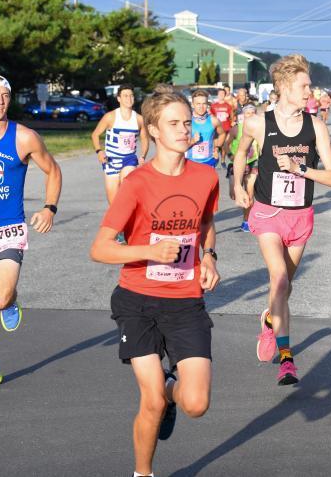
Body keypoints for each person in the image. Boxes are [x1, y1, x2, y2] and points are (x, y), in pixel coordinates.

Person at [90, 90, 220, 477]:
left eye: (186, 123)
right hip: (138, 302)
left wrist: (209, 256)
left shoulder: (206, 176)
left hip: (186, 301)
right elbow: (100, 248)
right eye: (173, 123)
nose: (183, 130)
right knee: (151, 402)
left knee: (196, 403)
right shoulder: (136, 183)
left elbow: (206, 224)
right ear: (153, 131)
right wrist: (149, 250)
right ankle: (142, 473)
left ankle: (170, 390)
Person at [232, 54, 331, 386]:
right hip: (267, 214)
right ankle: (287, 360)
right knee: (278, 279)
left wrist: (299, 168)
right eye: (304, 86)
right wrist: (237, 185)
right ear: (284, 86)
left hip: (300, 217)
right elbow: (240, 152)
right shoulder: (257, 123)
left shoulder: (315, 126)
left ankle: (269, 321)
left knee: (285, 287)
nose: (310, 92)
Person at [0, 74, 62, 390]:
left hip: (8, 227)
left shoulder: (24, 137)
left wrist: (49, 208)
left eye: (5, 95)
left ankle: (10, 301)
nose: (0, 100)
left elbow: (53, 170)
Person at [91, 84, 149, 205]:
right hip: (111, 161)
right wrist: (99, 151)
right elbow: (95, 135)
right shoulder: (110, 117)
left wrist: (143, 156)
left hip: (129, 160)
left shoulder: (139, 119)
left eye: (131, 96)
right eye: (125, 96)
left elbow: (144, 139)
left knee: (127, 188)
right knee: (113, 204)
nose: (129, 98)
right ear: (119, 99)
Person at [225, 103, 259, 232]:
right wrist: (231, 156)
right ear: (243, 115)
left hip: (253, 162)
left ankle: (247, 221)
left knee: (250, 193)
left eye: (252, 113)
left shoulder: (260, 129)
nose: (250, 116)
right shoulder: (236, 129)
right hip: (237, 163)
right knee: (234, 194)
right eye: (247, 113)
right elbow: (226, 144)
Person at [186, 90, 225, 168]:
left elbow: (222, 134)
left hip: (209, 161)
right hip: (190, 161)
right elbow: (178, 144)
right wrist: (193, 141)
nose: (201, 107)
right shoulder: (187, 121)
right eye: (198, 104)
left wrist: (217, 148)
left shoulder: (214, 120)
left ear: (207, 104)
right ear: (192, 105)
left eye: (204, 104)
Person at [209, 89, 234, 169]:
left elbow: (232, 117)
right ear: (217, 95)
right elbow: (211, 116)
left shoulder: (228, 106)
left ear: (225, 95)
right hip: (217, 129)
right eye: (220, 94)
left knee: (224, 146)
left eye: (223, 94)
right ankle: (215, 160)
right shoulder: (213, 106)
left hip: (226, 128)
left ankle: (223, 160)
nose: (221, 95)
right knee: (216, 146)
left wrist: (232, 123)